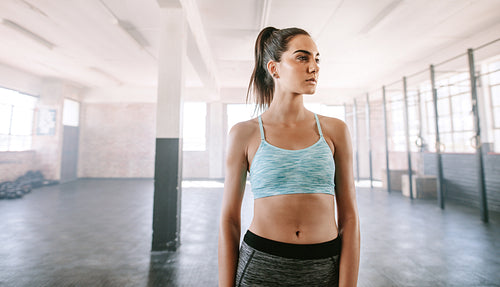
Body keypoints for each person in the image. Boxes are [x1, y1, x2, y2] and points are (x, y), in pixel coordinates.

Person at [218, 26, 360, 287]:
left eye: (317, 59)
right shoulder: (244, 134)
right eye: (302, 57)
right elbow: (229, 220)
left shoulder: (335, 130)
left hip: (323, 265)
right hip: (261, 265)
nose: (314, 67)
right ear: (274, 69)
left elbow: (349, 217)